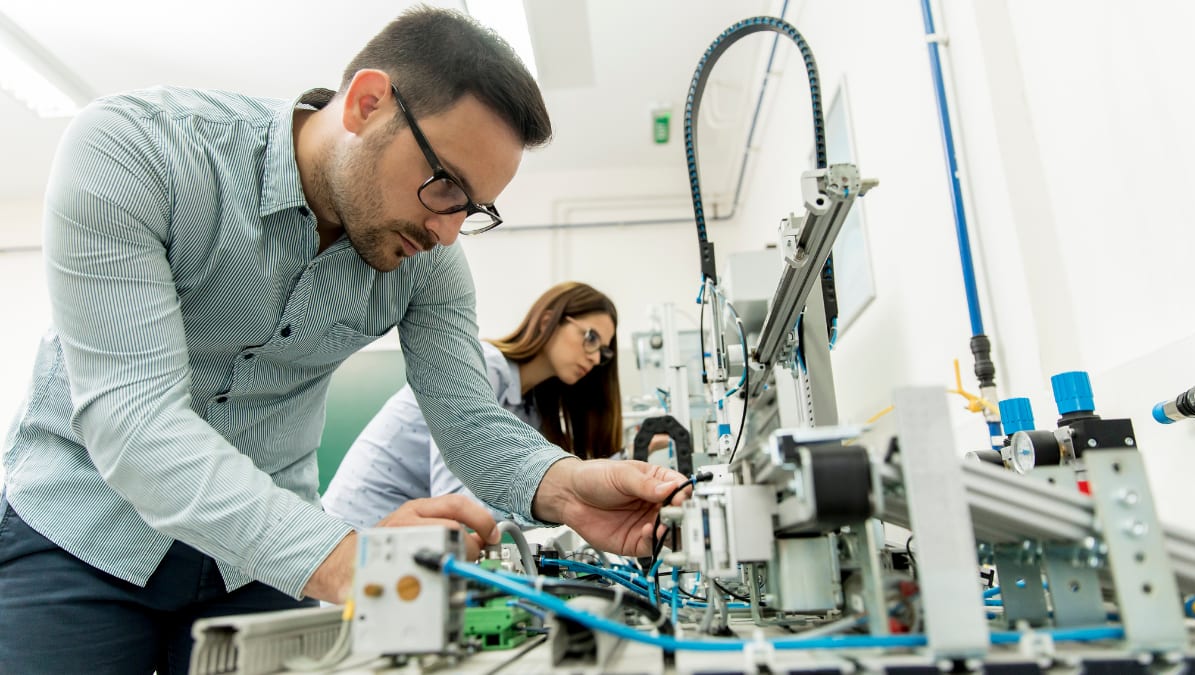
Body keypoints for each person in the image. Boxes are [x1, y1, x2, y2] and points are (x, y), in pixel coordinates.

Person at [0, 7, 685, 673]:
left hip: (255, 564)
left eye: (472, 209)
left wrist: (569, 488)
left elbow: (469, 421)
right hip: (82, 532)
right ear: (366, 103)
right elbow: (135, 424)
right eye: (444, 185)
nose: (448, 232)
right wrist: (345, 558)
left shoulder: (429, 258)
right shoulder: (137, 149)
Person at [324, 281, 630, 529]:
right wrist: (557, 504)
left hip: (408, 538)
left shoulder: (530, 409)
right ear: (548, 321)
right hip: (361, 528)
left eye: (603, 352)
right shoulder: (485, 367)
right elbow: (455, 498)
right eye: (590, 338)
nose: (594, 357)